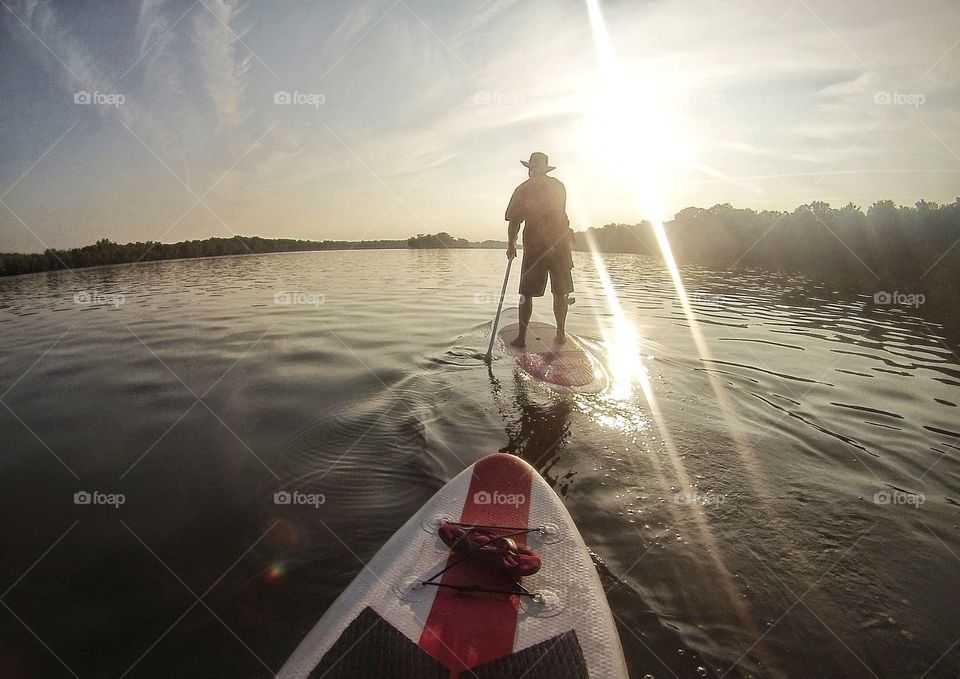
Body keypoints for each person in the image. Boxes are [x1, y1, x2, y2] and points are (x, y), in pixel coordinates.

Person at [504, 151, 574, 346]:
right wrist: (511, 243)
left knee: (558, 292)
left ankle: (559, 333)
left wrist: (511, 243)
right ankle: (523, 337)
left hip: (549, 244)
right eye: (531, 167)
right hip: (546, 244)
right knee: (531, 292)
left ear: (541, 168)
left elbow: (517, 220)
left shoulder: (529, 189)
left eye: (535, 166)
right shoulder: (529, 188)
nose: (532, 170)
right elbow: (515, 221)